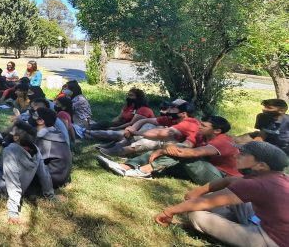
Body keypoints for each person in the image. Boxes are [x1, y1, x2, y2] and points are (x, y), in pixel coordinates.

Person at [155, 141, 287, 247]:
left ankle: (238, 230)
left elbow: (206, 202)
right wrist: (198, 191)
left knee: (197, 215)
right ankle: (240, 226)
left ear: (261, 166)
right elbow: (230, 180)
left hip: (273, 240)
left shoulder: (255, 184)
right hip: (268, 224)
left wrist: (169, 211)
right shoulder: (278, 177)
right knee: (221, 203)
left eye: (243, 154)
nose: (236, 156)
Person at [99, 116, 239, 185]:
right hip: (202, 169)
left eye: (204, 125)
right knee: (175, 154)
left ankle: (143, 171)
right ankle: (126, 166)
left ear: (217, 130)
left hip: (221, 179)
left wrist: (161, 151)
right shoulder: (201, 134)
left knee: (182, 153)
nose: (200, 126)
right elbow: (186, 146)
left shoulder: (223, 141)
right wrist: (168, 147)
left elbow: (192, 153)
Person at [0, 121, 57, 223]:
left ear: (16, 138)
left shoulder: (10, 150)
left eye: (12, 130)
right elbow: (44, 174)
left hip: (2, 190)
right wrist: (51, 195)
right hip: (22, 188)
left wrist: (13, 212)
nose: (10, 131)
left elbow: (13, 183)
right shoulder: (36, 149)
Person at [98, 100, 181, 156]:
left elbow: (160, 133)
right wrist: (132, 129)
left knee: (151, 139)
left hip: (172, 145)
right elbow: (145, 120)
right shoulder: (169, 118)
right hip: (157, 137)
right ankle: (117, 145)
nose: (169, 110)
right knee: (149, 125)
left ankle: (119, 149)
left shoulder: (185, 123)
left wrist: (134, 132)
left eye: (172, 108)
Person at [85, 88, 154, 140]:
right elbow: (119, 117)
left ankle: (87, 132)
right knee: (104, 123)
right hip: (124, 124)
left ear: (138, 97)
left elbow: (131, 124)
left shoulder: (144, 109)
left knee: (110, 131)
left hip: (134, 129)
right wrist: (111, 124)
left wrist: (114, 128)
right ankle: (85, 130)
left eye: (131, 95)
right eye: (128, 95)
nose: (129, 97)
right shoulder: (129, 106)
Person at [32, 107, 73, 187]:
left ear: (41, 121)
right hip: (61, 177)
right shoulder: (55, 133)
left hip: (52, 180)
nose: (31, 117)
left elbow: (33, 160)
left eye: (34, 115)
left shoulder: (44, 139)